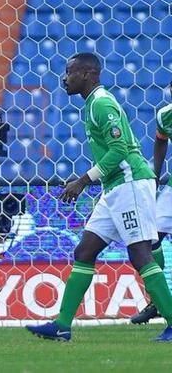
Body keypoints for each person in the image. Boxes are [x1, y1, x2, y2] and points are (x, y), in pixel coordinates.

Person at [26, 53, 172, 342]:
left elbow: (119, 149)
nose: (64, 78)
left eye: (69, 72)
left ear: (88, 74)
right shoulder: (92, 103)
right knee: (85, 251)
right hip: (113, 187)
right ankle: (62, 326)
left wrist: (82, 180)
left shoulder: (102, 103)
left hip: (129, 183)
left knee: (140, 253)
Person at [131, 84, 172, 324]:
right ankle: (158, 301)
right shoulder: (165, 115)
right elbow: (161, 141)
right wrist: (155, 176)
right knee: (150, 234)